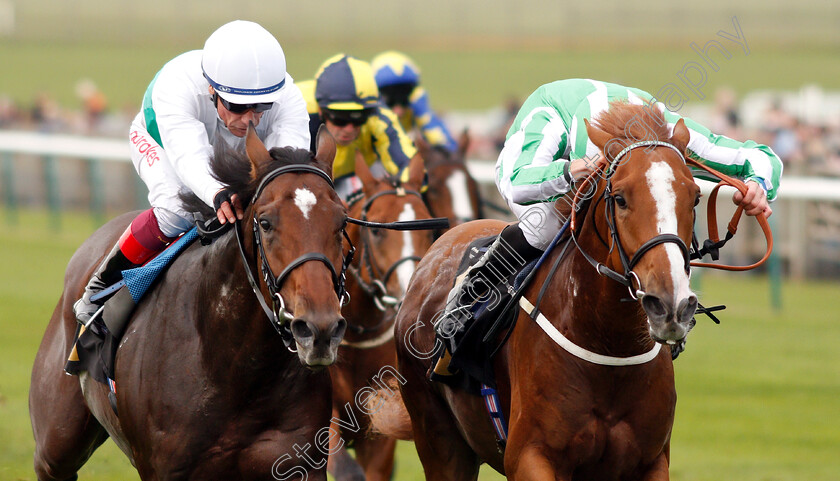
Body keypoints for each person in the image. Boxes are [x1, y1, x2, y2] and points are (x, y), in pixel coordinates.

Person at [438, 78, 783, 332]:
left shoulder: (668, 133)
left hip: (628, 135)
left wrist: (758, 184)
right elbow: (518, 182)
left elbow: (755, 156)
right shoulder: (553, 117)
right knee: (546, 225)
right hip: (552, 152)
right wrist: (566, 171)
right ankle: (468, 299)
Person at [73, 20, 310, 324]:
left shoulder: (286, 95)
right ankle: (98, 289)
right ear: (212, 89)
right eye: (238, 106)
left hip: (229, 148)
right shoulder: (177, 85)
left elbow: (287, 164)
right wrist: (217, 192)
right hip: (163, 141)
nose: (250, 119)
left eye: (261, 107)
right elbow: (190, 157)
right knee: (177, 210)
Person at [306, 53, 420, 200]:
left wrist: (406, 191)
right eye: (340, 119)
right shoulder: (298, 111)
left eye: (360, 119)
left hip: (350, 176)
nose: (349, 128)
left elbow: (410, 167)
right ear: (321, 111)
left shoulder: (380, 118)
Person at [371, 51, 457, 153]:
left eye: (403, 100)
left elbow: (432, 126)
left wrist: (445, 147)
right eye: (391, 101)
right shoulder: (370, 101)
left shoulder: (417, 97)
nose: (398, 111)